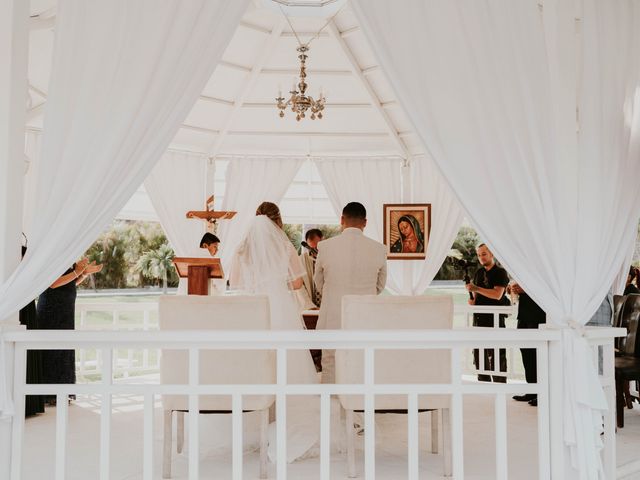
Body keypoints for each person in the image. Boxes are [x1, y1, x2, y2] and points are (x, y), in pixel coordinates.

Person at [228, 201, 320, 462]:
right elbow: (297, 282)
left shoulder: (243, 248)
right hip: (279, 306)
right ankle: (282, 421)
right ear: (277, 220)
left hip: (252, 309)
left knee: (255, 364)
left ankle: (252, 423)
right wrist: (277, 280)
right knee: (285, 366)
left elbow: (234, 281)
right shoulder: (282, 244)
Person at [314, 202, 387, 384]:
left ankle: (330, 399)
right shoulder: (379, 249)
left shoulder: (325, 247)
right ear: (365, 222)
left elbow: (318, 282)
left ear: (341, 220)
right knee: (362, 356)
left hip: (333, 312)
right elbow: (380, 285)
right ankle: (360, 395)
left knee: (330, 358)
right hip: (365, 314)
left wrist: (331, 293)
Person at [38, 258, 103, 405]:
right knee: (52, 350)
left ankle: (62, 391)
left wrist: (83, 274)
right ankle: (50, 394)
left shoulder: (69, 256)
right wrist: (77, 272)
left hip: (66, 310)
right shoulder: (53, 258)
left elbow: (70, 282)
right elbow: (53, 284)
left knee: (64, 350)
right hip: (52, 308)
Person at [466, 243, 510, 383]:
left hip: (495, 320)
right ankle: (483, 384)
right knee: (479, 354)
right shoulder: (479, 272)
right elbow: (476, 297)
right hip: (479, 320)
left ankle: (499, 385)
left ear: (492, 254)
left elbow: (498, 294)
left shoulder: (500, 272)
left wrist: (476, 288)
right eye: (479, 255)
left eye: (484, 254)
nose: (481, 258)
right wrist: (472, 299)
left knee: (497, 354)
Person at [509, 283, 546, 406]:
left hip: (538, 315)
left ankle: (542, 393)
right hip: (523, 315)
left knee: (537, 354)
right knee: (526, 351)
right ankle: (532, 390)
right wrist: (514, 290)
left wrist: (526, 288)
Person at [18, 245, 44, 416]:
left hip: (27, 301)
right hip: (18, 301)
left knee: (30, 348)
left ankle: (30, 402)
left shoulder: (25, 248)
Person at [301, 228, 323, 309]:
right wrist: (310, 306)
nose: (314, 252)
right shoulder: (301, 260)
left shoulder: (330, 258)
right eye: (311, 248)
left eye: (316, 248)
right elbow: (300, 287)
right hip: (309, 307)